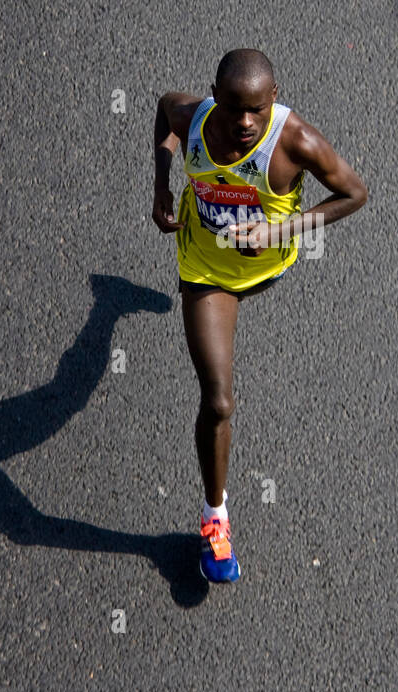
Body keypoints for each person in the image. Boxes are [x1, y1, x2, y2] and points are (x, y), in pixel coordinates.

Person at [152, 48, 368, 583]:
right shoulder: (194, 117)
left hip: (269, 265)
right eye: (231, 108)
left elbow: (354, 193)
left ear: (274, 98)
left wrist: (278, 231)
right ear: (215, 96)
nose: (244, 123)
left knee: (221, 387)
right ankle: (215, 520)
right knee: (219, 401)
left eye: (257, 110)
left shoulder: (297, 141)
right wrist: (160, 184)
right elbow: (163, 111)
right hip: (208, 272)